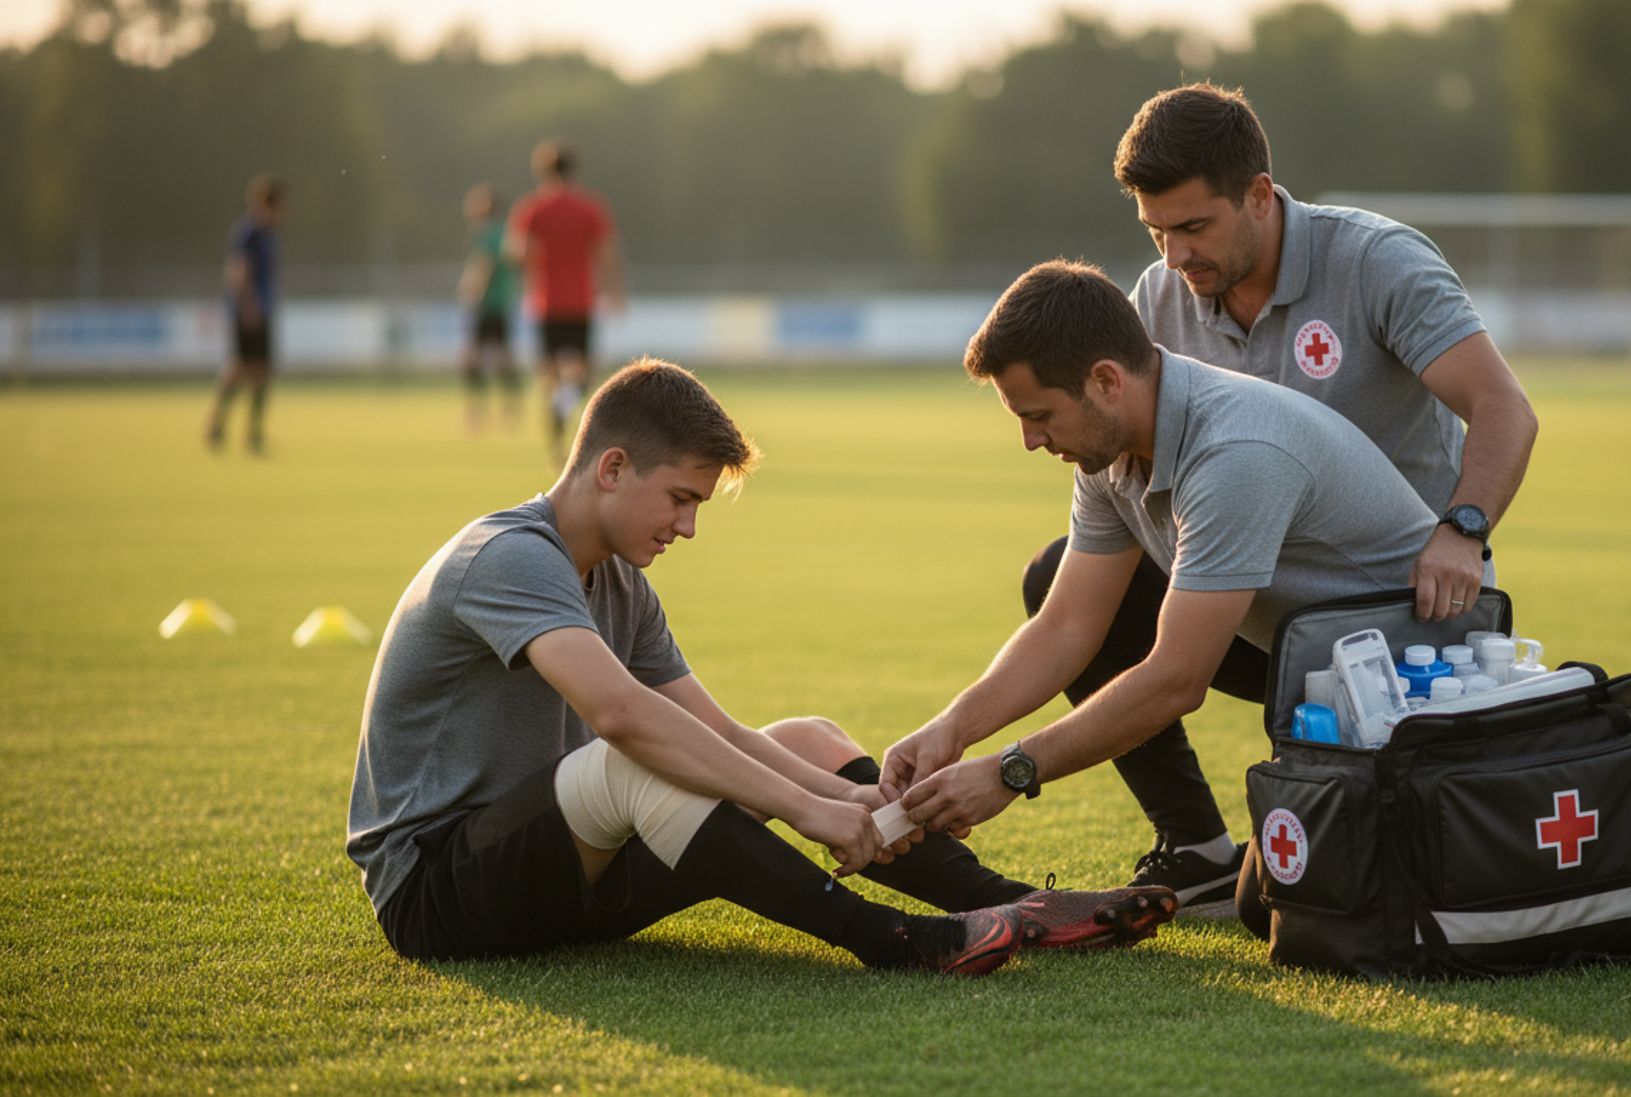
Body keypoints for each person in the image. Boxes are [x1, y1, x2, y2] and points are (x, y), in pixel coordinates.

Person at [346, 357, 1174, 973]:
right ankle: (891, 940)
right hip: (438, 895)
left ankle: (1006, 900)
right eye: (681, 498)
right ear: (611, 468)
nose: (688, 527)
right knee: (633, 760)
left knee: (807, 738)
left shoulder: (621, 582)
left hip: (564, 870)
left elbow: (718, 730)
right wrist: (802, 811)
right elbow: (624, 718)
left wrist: (845, 792)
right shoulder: (506, 557)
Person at [991, 83, 1538, 912]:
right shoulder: (1158, 297)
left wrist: (1462, 529)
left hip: (1398, 608)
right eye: (1155, 231)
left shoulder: (1376, 262)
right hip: (1252, 600)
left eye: (1193, 227)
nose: (1173, 256)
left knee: (1297, 901)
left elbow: (1506, 409)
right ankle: (1197, 847)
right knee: (1060, 578)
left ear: (1258, 195)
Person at [880, 261, 1452, 916]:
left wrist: (1012, 770)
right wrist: (951, 729)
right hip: (1305, 648)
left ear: (1105, 381)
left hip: (1407, 673)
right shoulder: (1111, 443)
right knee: (1055, 574)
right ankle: (1199, 848)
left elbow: (1178, 677)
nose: (1030, 440)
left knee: (1271, 909)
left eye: (1039, 415)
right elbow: (1069, 625)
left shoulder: (1235, 450)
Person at [507, 138, 624, 465]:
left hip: (546, 302)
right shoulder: (590, 207)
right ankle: (568, 413)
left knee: (550, 375)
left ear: (542, 170)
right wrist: (615, 292)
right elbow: (606, 254)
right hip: (581, 302)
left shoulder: (532, 209)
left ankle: (557, 442)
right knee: (582, 373)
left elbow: (520, 253)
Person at [203, 174, 286, 455]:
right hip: (248, 310)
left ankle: (254, 432)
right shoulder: (248, 232)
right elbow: (239, 270)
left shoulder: (270, 234)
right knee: (240, 367)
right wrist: (248, 305)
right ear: (267, 204)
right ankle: (217, 421)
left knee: (262, 371)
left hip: (263, 309)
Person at [457, 183, 522, 432]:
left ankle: (476, 412)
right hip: (503, 301)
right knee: (503, 357)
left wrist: (471, 291)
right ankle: (511, 408)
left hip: (487, 304)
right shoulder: (506, 231)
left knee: (472, 358)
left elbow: (484, 265)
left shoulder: (486, 234)